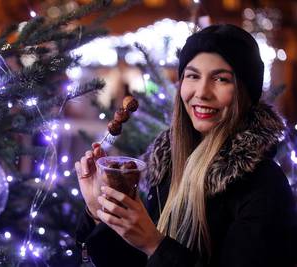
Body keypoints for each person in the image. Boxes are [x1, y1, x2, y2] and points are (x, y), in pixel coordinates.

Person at [74, 24, 297, 267]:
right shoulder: (166, 166)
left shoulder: (264, 185)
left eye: (221, 79)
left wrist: (154, 243)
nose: (201, 92)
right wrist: (99, 212)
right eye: (192, 76)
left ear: (244, 91)